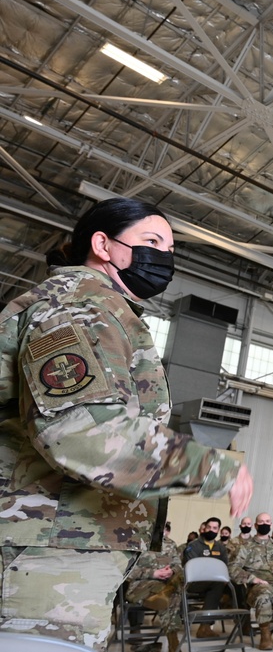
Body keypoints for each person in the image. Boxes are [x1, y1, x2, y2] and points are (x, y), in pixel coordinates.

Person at [0, 198, 253, 649]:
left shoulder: (106, 310)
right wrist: (213, 467)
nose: (164, 257)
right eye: (151, 241)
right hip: (46, 552)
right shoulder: (80, 307)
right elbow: (82, 430)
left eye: (171, 248)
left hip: (63, 543)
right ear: (102, 244)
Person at [229, 512, 273, 650]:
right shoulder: (245, 546)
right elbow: (233, 568)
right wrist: (253, 579)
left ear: (271, 524)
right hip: (256, 586)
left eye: (267, 521)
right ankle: (265, 635)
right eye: (261, 522)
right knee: (264, 594)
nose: (264, 524)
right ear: (256, 525)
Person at [126, 545, 184, 652]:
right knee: (173, 596)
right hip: (141, 586)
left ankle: (164, 593)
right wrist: (153, 573)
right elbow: (125, 568)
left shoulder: (170, 544)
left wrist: (171, 571)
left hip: (166, 582)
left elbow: (178, 566)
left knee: (176, 588)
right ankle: (174, 646)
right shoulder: (135, 542)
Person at [183, 517, 229, 638]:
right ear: (204, 528)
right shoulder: (194, 545)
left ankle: (242, 622)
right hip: (194, 582)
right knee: (217, 585)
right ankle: (205, 625)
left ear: (218, 530)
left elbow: (225, 566)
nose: (211, 530)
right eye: (209, 527)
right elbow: (192, 567)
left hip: (213, 583)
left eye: (214, 528)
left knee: (237, 585)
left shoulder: (221, 547)